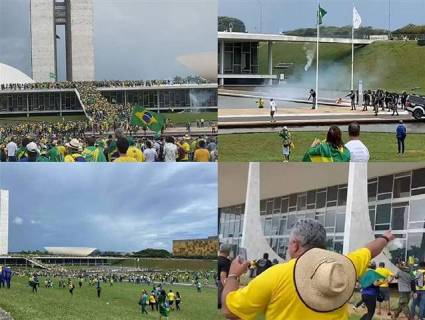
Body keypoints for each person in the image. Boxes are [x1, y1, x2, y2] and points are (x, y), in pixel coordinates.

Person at [221, 218, 396, 320]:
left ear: (295, 245)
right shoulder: (344, 266)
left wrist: (234, 274)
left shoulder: (276, 274)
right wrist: (385, 238)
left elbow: (230, 309)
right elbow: (370, 250)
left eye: (288, 243)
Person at [218, 244, 232, 309]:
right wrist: (227, 287)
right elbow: (222, 275)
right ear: (228, 251)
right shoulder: (226, 261)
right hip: (221, 283)